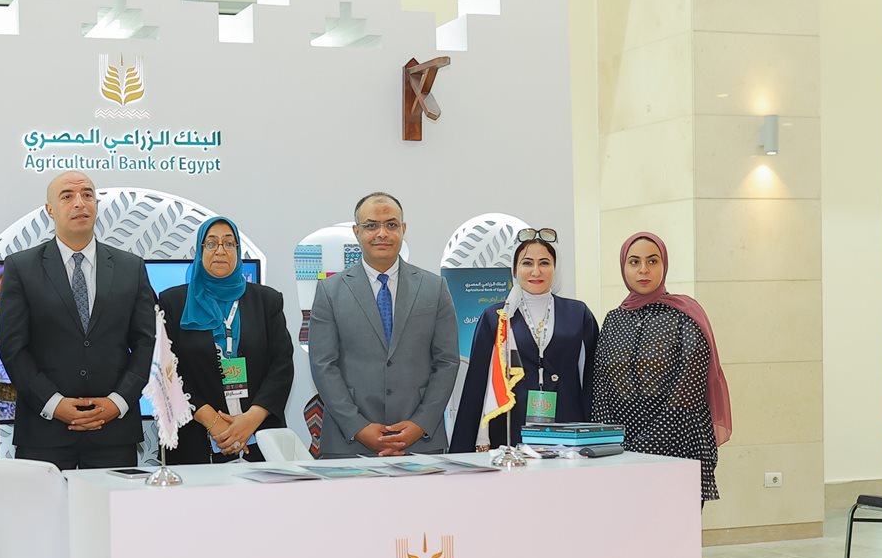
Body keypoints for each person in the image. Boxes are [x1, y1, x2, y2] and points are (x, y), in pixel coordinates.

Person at [0, 170, 155, 558]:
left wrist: (118, 402)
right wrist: (55, 404)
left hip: (113, 431)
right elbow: (13, 348)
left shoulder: (129, 267)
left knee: (110, 545)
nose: (80, 202)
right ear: (50, 210)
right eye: (67, 195)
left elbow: (144, 343)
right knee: (39, 542)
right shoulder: (22, 268)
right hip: (46, 432)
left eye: (88, 194)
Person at [307, 193, 459, 458]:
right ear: (356, 232)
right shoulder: (330, 291)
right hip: (349, 442)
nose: (382, 233)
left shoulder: (435, 288)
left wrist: (420, 424)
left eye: (391, 225)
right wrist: (358, 427)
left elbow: (447, 361)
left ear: (403, 229)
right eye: (371, 226)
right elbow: (323, 365)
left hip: (421, 442)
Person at [591, 231, 732, 504]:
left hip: (679, 447)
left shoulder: (685, 316)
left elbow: (688, 391)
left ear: (664, 265)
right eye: (634, 262)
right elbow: (601, 390)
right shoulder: (613, 320)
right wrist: (609, 443)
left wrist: (643, 446)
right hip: (620, 453)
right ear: (623, 267)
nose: (643, 269)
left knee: (673, 527)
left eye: (652, 261)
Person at [157, 216, 294, 463]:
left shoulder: (267, 301)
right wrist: (214, 422)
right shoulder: (173, 303)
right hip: (196, 439)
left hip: (260, 438)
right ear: (200, 251)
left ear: (238, 250)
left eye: (229, 243)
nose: (220, 250)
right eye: (211, 243)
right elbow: (168, 373)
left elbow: (281, 366)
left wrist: (250, 420)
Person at [451, 229, 598, 452]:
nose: (536, 271)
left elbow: (592, 379)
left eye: (544, 263)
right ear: (514, 269)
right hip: (510, 429)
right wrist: (468, 445)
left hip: (568, 429)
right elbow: (477, 384)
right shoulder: (497, 316)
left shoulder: (578, 313)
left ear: (556, 268)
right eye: (527, 263)